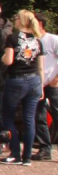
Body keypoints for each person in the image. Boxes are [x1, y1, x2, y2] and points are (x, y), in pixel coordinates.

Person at [0, 9, 46, 165]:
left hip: (16, 81)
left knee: (8, 117)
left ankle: (15, 154)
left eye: (16, 18)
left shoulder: (12, 38)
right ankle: (27, 157)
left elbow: (9, 61)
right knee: (29, 119)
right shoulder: (38, 41)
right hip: (34, 81)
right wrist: (42, 87)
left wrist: (2, 57)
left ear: (20, 21)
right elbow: (40, 67)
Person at [32, 12, 57, 161]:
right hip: (37, 84)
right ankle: (45, 149)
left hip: (53, 84)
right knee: (39, 116)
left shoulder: (53, 40)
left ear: (39, 23)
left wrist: (56, 79)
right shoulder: (32, 42)